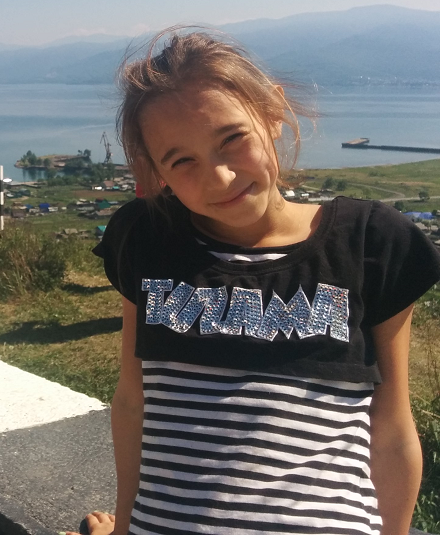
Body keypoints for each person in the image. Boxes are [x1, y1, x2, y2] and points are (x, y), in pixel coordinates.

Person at [68, 28, 440, 535]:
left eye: (232, 139)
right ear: (155, 171)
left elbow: (392, 426)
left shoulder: (370, 242)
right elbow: (134, 402)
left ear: (272, 112)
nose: (220, 177)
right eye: (182, 161)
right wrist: (127, 526)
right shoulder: (146, 237)